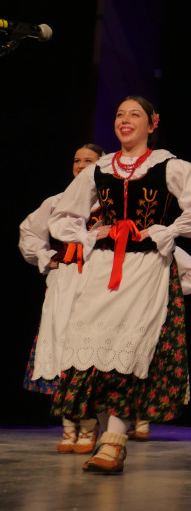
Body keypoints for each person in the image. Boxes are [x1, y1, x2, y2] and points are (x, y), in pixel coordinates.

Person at [46, 96, 191, 473]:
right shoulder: (101, 168)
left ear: (152, 123)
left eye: (135, 115)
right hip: (104, 265)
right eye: (119, 115)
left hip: (146, 266)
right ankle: (100, 433)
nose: (125, 121)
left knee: (130, 347)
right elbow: (63, 213)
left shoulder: (169, 166)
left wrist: (169, 229)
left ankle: (114, 441)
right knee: (95, 347)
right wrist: (92, 234)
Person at [19, 143, 104, 453]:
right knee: (61, 346)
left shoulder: (109, 205)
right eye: (77, 160)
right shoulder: (56, 203)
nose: (81, 165)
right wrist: (46, 257)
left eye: (89, 161)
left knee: (86, 351)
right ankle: (68, 425)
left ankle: (89, 424)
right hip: (65, 280)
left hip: (96, 284)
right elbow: (29, 232)